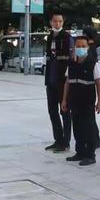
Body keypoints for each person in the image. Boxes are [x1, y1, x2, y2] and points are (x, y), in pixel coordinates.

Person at [61, 36, 100, 166]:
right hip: (74, 101)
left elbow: (99, 82)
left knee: (88, 128)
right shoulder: (72, 63)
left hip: (88, 102)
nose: (80, 48)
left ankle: (90, 155)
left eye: (83, 46)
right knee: (77, 127)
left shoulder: (92, 63)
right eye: (78, 46)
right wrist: (64, 100)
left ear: (88, 48)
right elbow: (67, 82)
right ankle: (80, 152)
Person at [44, 13, 73, 153]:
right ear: (51, 22)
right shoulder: (49, 37)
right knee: (52, 112)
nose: (57, 24)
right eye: (55, 21)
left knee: (65, 111)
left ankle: (65, 142)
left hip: (62, 81)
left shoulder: (67, 37)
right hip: (50, 81)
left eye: (60, 21)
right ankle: (58, 139)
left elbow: (70, 59)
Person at [82, 26, 100, 149]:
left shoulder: (90, 48)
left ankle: (95, 139)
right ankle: (94, 138)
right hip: (87, 84)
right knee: (89, 117)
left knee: (89, 117)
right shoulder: (92, 46)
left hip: (89, 84)